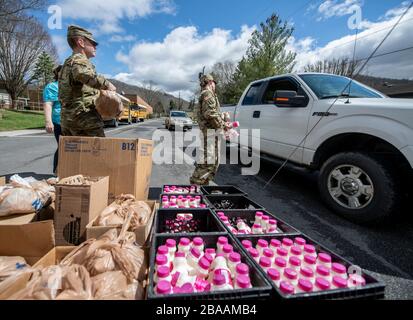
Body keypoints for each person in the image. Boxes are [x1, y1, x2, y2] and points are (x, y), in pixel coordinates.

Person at [59, 25, 116, 137]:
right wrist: (107, 85)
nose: (95, 47)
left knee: (72, 154)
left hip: (68, 120)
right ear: (81, 42)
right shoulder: (79, 60)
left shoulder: (67, 63)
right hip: (85, 121)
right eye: (93, 43)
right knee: (98, 153)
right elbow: (83, 74)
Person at [190, 74, 229, 185]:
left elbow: (212, 113)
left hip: (211, 134)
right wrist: (223, 125)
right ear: (210, 82)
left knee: (212, 163)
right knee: (207, 163)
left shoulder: (208, 94)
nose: (214, 85)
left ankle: (202, 187)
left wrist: (222, 117)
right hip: (210, 134)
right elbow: (210, 114)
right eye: (214, 83)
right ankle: (195, 189)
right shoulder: (207, 94)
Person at [43, 65, 63, 174]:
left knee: (75, 147)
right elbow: (48, 104)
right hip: (59, 122)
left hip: (74, 123)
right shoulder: (52, 87)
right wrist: (48, 121)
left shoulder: (73, 86)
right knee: (63, 146)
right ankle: (57, 172)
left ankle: (71, 170)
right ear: (58, 73)